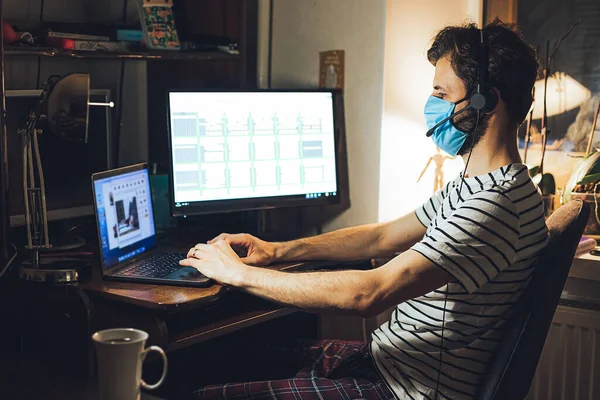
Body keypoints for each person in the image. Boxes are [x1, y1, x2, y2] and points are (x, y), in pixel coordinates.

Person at [181, 19, 547, 400]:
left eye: (440, 92)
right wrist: (277, 250)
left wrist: (237, 274)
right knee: (214, 360)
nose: (432, 105)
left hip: (401, 390)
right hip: (384, 363)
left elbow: (370, 293)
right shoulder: (480, 185)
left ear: (485, 99)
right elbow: (381, 236)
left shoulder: (494, 205)